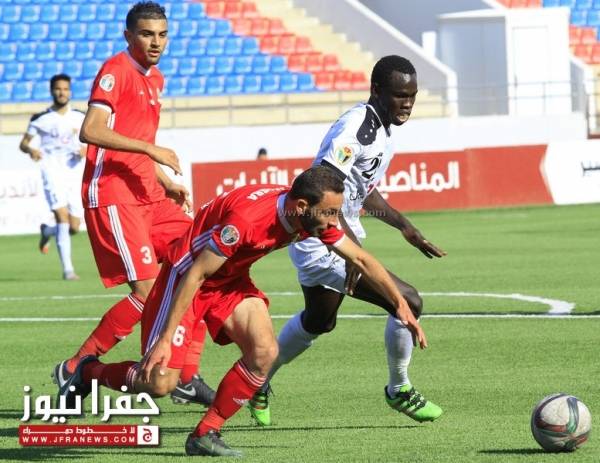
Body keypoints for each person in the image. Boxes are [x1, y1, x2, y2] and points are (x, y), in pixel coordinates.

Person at [57, 166, 427, 457]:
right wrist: (166, 338)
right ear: (302, 207)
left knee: (264, 352)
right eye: (329, 213)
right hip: (187, 278)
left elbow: (361, 258)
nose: (334, 222)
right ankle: (88, 372)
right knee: (159, 383)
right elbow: (198, 272)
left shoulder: (308, 214)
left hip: (229, 281)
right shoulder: (248, 221)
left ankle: (205, 434)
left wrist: (400, 305)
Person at [248, 55, 447, 426]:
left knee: (318, 322)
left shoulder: (382, 129)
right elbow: (323, 190)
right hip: (321, 237)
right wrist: (351, 251)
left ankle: (256, 380)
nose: (407, 103)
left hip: (332, 236)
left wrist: (404, 227)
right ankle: (399, 389)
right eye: (399, 95)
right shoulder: (356, 130)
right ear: (376, 90)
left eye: (412, 96)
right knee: (407, 301)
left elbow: (363, 190)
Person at [52, 1, 214, 407]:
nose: (155, 42)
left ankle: (186, 375)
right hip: (114, 196)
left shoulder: (155, 78)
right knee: (147, 291)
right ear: (129, 36)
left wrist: (165, 181)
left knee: (202, 261)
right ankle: (75, 367)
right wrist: (150, 150)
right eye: (146, 34)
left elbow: (137, 140)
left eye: (162, 34)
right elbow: (91, 130)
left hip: (149, 195)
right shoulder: (115, 71)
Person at [19, 74, 86, 280]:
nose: (61, 92)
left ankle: (48, 231)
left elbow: (94, 140)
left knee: (74, 227)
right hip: (52, 172)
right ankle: (68, 270)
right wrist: (31, 150)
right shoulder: (40, 119)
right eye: (58, 89)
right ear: (51, 91)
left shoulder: (80, 116)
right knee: (62, 217)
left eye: (65, 89)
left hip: (74, 173)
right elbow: (23, 143)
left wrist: (87, 149)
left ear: (70, 91)